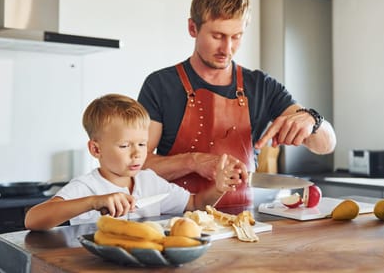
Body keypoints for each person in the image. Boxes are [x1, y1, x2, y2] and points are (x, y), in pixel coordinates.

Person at [138, 0, 337, 208]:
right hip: (177, 225)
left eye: (237, 36)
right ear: (193, 28)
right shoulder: (160, 85)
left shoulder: (262, 86)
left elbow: (327, 144)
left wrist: (312, 120)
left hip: (243, 224)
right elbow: (136, 164)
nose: (227, 49)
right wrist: (193, 161)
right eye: (217, 36)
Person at [24, 93, 241, 231]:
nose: (137, 154)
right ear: (95, 149)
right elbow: (33, 219)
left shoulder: (149, 181)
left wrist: (219, 188)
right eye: (125, 146)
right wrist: (93, 202)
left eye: (142, 144)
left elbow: (197, 204)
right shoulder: (87, 187)